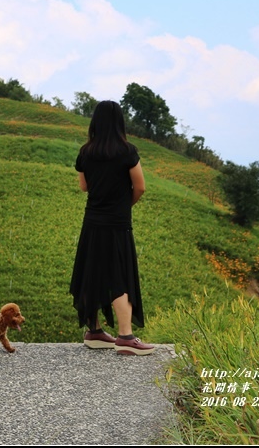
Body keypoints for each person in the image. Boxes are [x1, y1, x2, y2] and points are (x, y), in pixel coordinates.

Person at [69, 100, 154, 356]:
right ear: (120, 122)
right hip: (118, 223)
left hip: (92, 222)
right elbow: (140, 187)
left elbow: (84, 187)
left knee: (92, 272)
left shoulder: (86, 152)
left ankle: (94, 331)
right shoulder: (127, 151)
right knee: (119, 275)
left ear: (95, 121)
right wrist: (125, 204)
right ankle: (126, 337)